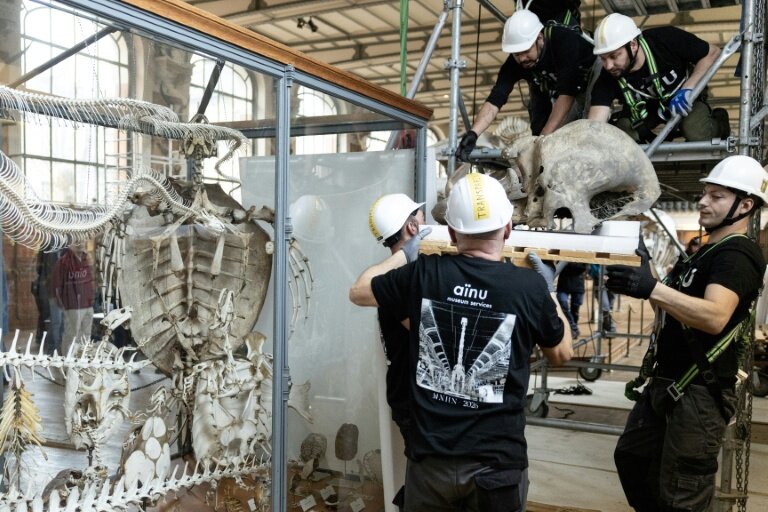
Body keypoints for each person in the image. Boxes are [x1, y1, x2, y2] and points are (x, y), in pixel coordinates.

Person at [350, 173, 573, 511]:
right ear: (509, 228)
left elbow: (359, 291)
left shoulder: (423, 274)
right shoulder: (527, 288)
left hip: (430, 465)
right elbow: (562, 354)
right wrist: (550, 292)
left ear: (451, 233)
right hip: (496, 466)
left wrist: (403, 257)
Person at [605, 155, 767, 511]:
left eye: (717, 196)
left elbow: (714, 317)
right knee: (633, 460)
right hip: (667, 382)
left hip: (699, 392)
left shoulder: (739, 254)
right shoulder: (700, 253)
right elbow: (668, 311)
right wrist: (644, 272)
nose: (703, 201)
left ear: (746, 205)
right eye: (704, 193)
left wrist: (653, 289)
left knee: (683, 491)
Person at [457, 8, 596, 161]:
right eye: (517, 54)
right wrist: (473, 133)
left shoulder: (563, 40)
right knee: (538, 124)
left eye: (526, 50)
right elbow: (495, 100)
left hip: (589, 76)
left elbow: (567, 94)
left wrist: (541, 141)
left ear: (540, 38)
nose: (522, 58)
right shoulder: (515, 63)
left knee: (574, 124)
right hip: (550, 85)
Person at [367, 192, 426, 510]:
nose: (425, 221)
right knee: (426, 481)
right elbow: (427, 334)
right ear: (413, 228)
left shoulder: (399, 276)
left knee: (426, 476)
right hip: (412, 398)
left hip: (408, 394)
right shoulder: (398, 281)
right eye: (420, 215)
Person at [587, 13, 730, 143]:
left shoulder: (665, 39)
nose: (608, 65)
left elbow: (713, 53)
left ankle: (720, 122)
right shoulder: (609, 75)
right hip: (647, 108)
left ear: (633, 45)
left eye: (614, 56)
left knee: (695, 131)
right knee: (622, 134)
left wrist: (688, 88)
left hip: (683, 97)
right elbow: (596, 120)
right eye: (603, 58)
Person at [51, 241, 95, 355]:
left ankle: (83, 361)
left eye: (82, 240)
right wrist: (65, 304)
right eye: (76, 241)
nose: (80, 243)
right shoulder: (63, 263)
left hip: (87, 305)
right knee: (71, 336)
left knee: (86, 335)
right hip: (72, 307)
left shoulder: (87, 260)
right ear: (70, 243)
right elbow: (56, 286)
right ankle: (68, 362)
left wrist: (91, 299)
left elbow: (90, 282)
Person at [556, 263, 587, 338]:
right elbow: (559, 265)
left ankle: (573, 328)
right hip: (563, 285)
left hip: (578, 286)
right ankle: (574, 328)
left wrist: (568, 265)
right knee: (563, 306)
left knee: (575, 309)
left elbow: (582, 267)